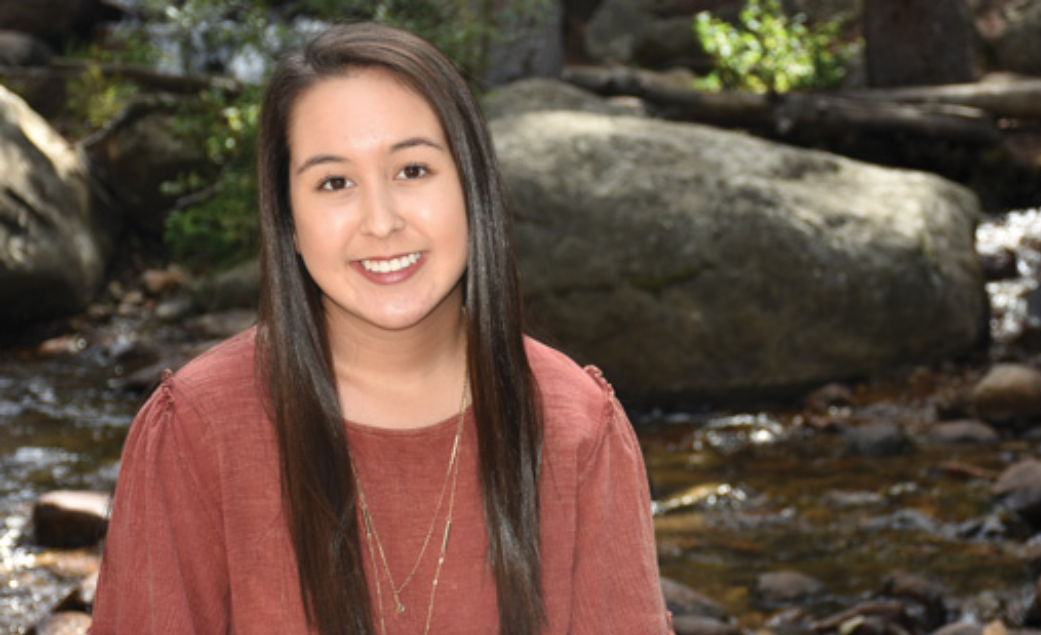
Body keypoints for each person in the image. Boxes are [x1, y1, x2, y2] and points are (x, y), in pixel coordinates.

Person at [90, 22, 674, 635]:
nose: (381, 221)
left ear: (471, 184)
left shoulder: (574, 425)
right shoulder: (199, 430)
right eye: (334, 182)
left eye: (412, 171)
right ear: (287, 220)